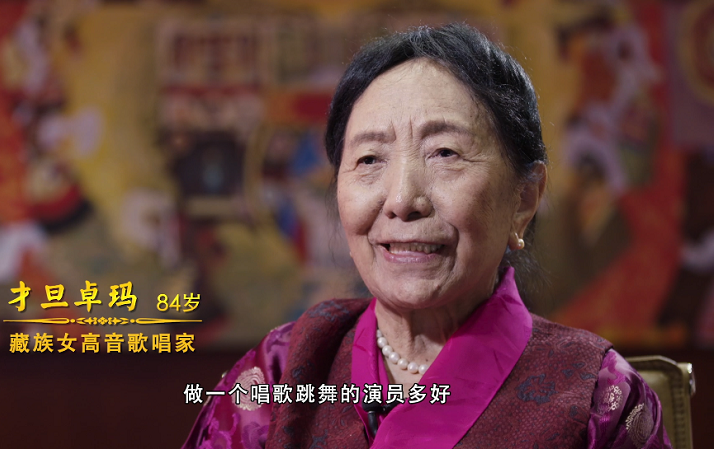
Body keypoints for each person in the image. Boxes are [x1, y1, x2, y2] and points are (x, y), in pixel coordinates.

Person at [182, 23, 671, 449]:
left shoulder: (596, 398)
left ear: (523, 199)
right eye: (369, 159)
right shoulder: (280, 374)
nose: (402, 199)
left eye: (444, 153)